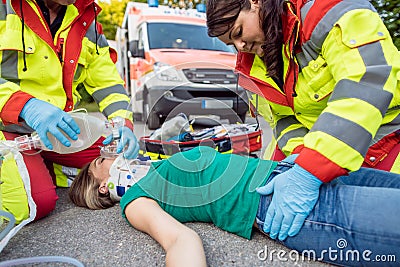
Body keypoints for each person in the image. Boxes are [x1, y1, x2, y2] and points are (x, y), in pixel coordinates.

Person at [205, 0, 400, 242]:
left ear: (255, 3)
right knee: (269, 186)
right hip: (315, 146)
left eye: (238, 32)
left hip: (382, 139)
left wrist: (309, 172)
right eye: (231, 43)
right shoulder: (252, 66)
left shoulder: (330, 13)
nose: (240, 46)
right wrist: (299, 157)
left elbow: (367, 83)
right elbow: (283, 118)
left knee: (378, 219)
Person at [69, 146, 400, 267]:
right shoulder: (134, 199)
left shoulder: (156, 168)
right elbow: (180, 241)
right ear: (102, 185)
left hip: (297, 173)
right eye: (102, 160)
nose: (112, 155)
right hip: (281, 206)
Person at [0, 0, 139, 224]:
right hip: (7, 128)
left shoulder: (86, 19)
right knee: (36, 202)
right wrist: (25, 106)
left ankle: (44, 168)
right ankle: (35, 172)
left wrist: (121, 121)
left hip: (56, 129)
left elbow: (107, 83)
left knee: (119, 157)